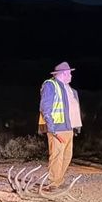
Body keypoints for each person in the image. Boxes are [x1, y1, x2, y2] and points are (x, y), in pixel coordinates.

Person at [38, 61, 82, 189]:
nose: (71, 76)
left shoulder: (70, 89)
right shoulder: (51, 85)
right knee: (57, 156)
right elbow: (45, 107)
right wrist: (52, 129)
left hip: (68, 128)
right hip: (57, 128)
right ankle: (53, 183)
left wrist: (76, 127)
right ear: (63, 73)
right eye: (69, 73)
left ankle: (59, 180)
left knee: (67, 156)